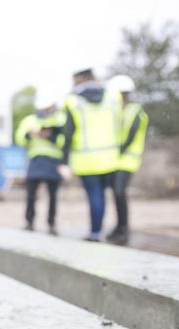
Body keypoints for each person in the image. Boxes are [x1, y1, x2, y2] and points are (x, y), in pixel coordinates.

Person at [59, 68, 122, 241]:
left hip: (87, 160)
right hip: (111, 157)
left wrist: (64, 161)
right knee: (109, 195)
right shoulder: (112, 97)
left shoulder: (73, 101)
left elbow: (68, 133)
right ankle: (118, 228)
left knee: (95, 196)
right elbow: (120, 124)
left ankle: (95, 232)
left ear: (81, 79)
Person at [14, 91, 66, 235]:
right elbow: (19, 139)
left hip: (53, 161)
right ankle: (29, 222)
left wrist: (50, 137)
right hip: (35, 160)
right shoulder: (30, 120)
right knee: (31, 194)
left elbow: (65, 141)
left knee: (53, 196)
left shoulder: (60, 119)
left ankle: (51, 224)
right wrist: (29, 135)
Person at [105, 74, 149, 245]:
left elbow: (130, 135)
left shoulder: (135, 111)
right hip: (114, 160)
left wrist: (117, 151)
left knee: (119, 191)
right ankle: (119, 227)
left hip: (128, 160)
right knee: (116, 194)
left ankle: (124, 228)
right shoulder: (114, 110)